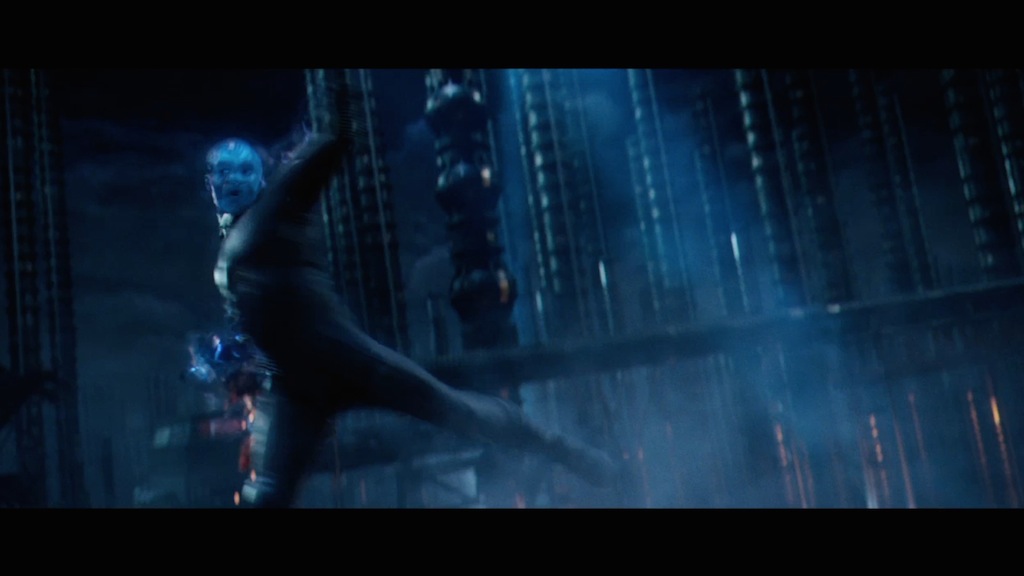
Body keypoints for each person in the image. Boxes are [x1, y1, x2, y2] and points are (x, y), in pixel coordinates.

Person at [205, 125, 616, 508]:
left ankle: (565, 450)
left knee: (461, 412)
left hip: (345, 358)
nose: (232, 180)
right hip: (296, 389)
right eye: (222, 172)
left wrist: (336, 118)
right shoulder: (230, 251)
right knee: (270, 494)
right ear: (210, 183)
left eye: (243, 170)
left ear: (261, 177)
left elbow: (334, 141)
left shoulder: (280, 201)